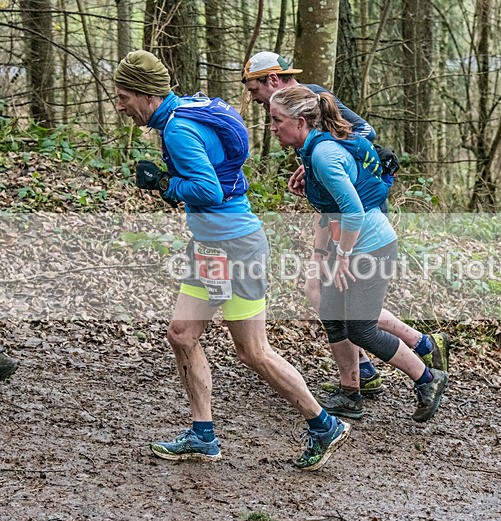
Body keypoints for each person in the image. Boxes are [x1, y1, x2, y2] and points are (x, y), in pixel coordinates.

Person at [113, 50, 349, 470]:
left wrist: (166, 184)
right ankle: (202, 435)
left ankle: (323, 424)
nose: (120, 106)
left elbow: (209, 190)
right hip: (210, 247)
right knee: (181, 334)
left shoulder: (178, 130)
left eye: (124, 97)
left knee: (253, 351)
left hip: (236, 247)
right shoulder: (187, 111)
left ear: (148, 96)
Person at [241, 51, 449, 405]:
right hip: (349, 237)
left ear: (301, 121)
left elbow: (352, 209)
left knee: (362, 327)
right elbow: (330, 208)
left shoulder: (323, 151)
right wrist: (322, 250)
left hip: (369, 241)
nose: (271, 127)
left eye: (276, 121)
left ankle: (427, 374)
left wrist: (341, 256)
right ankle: (352, 389)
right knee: (332, 311)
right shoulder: (311, 150)